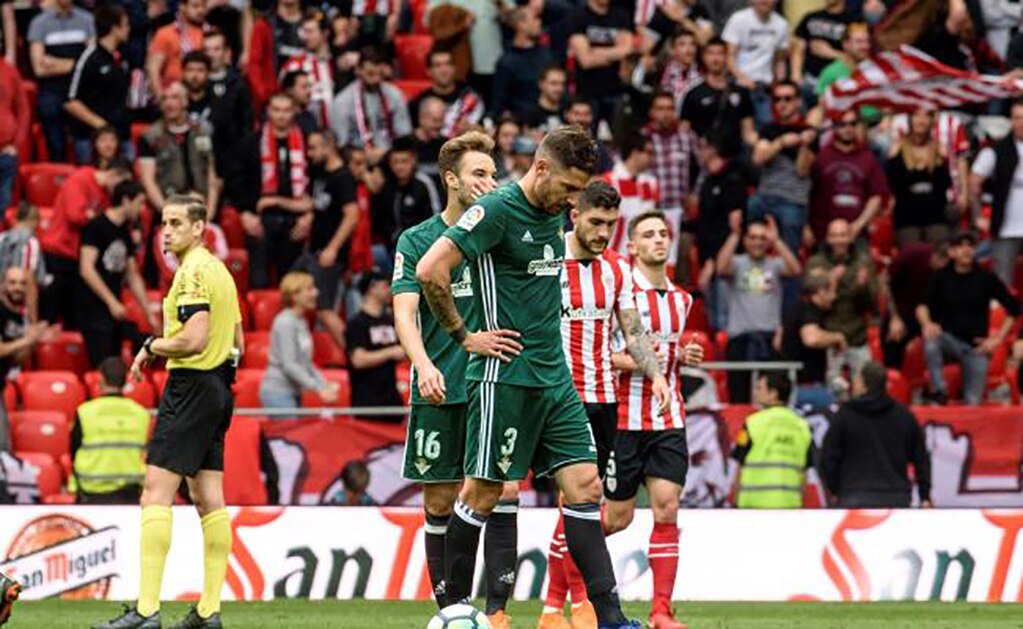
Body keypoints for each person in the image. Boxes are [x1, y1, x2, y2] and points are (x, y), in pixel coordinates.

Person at [415, 125, 640, 628]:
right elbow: (432, 269)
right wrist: (464, 336)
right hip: (504, 378)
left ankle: (612, 618)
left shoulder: (556, 211)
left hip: (554, 378)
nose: (571, 200)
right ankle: (453, 610)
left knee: (585, 487)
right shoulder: (496, 211)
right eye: (566, 188)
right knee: (483, 493)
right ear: (540, 169)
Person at [95, 195, 243, 629]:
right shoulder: (220, 272)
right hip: (220, 386)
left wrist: (151, 346)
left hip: (192, 384)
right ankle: (209, 611)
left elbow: (193, 338)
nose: (167, 231)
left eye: (177, 223)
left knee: (155, 494)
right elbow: (239, 343)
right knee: (207, 498)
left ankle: (145, 612)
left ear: (199, 228)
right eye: (164, 223)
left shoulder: (193, 272)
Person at [392, 131, 520, 626]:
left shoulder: (496, 236)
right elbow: (405, 312)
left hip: (494, 383)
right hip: (441, 383)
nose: (490, 183)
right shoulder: (418, 241)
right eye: (479, 174)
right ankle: (451, 613)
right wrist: (422, 364)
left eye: (493, 173)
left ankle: (498, 612)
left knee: (504, 490)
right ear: (452, 181)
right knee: (441, 499)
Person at [541, 183, 672, 629]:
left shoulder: (615, 269)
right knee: (559, 497)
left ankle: (565, 609)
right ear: (573, 215)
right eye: (596, 222)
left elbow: (633, 333)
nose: (603, 233)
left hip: (602, 399)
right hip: (556, 398)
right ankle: (567, 606)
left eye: (611, 226)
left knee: (580, 502)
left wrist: (656, 376)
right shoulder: (546, 259)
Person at [602, 211, 703, 629]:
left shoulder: (682, 299)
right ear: (633, 246)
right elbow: (602, 354)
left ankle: (661, 610)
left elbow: (666, 352)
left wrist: (681, 357)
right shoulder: (621, 296)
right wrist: (641, 363)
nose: (659, 240)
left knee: (667, 509)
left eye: (664, 234)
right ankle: (564, 595)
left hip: (668, 418)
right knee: (614, 519)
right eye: (649, 234)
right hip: (624, 419)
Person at [917, 230, 1019, 405]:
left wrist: (997, 339)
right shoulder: (941, 277)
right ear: (951, 252)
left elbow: (1015, 308)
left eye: (970, 245)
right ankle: (939, 390)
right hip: (948, 340)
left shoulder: (986, 278)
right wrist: (927, 324)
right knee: (931, 340)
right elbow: (922, 306)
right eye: (960, 246)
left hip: (976, 348)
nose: (966, 250)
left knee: (973, 404)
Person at [821, 361, 931, 508]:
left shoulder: (845, 416)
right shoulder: (904, 416)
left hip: (853, 496)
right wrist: (924, 495)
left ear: (863, 384)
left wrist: (836, 488)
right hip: (896, 497)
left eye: (857, 380)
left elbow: (829, 457)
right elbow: (921, 459)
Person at [717, 218, 801, 403]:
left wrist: (777, 241)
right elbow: (721, 267)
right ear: (745, 240)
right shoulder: (737, 263)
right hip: (740, 340)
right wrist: (735, 235)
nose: (758, 242)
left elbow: (795, 269)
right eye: (753, 237)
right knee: (739, 399)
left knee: (770, 399)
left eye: (763, 238)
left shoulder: (775, 264)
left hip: (769, 341)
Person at [40, 162, 132, 328]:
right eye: (122, 184)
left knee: (74, 315)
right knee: (50, 311)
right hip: (59, 252)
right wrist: (98, 218)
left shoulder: (106, 196)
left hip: (76, 256)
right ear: (114, 175)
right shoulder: (81, 178)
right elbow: (75, 215)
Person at [78, 180, 154, 368]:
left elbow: (132, 274)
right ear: (126, 200)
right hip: (93, 308)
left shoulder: (124, 231)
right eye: (139, 202)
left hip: (113, 311)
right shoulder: (96, 226)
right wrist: (111, 301)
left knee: (119, 358)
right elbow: (86, 269)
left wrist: (148, 312)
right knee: (103, 366)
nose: (142, 209)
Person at [297, 129, 359, 351]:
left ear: (328, 146)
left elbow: (352, 215)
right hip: (313, 250)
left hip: (328, 254)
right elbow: (320, 205)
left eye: (313, 148)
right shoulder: (320, 173)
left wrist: (332, 249)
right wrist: (307, 219)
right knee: (290, 287)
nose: (309, 153)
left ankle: (355, 357)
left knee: (325, 310)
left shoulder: (344, 177)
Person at [244, 91, 313, 289]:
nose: (281, 115)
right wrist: (245, 214)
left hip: (296, 222)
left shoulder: (307, 142)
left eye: (286, 110)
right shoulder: (252, 142)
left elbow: (317, 183)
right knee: (259, 281)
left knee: (293, 284)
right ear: (268, 112)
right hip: (261, 220)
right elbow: (240, 182)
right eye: (276, 110)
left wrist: (310, 214)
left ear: (294, 112)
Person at [806, 218, 877, 394]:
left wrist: (862, 288)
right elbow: (810, 294)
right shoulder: (816, 262)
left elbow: (872, 304)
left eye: (843, 235)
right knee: (835, 393)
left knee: (865, 391)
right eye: (834, 235)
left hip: (857, 336)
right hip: (828, 339)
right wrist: (831, 278)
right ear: (828, 238)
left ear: (851, 237)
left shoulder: (863, 262)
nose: (839, 240)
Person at [749, 80, 817, 254]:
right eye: (777, 99)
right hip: (764, 197)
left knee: (789, 255)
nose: (782, 104)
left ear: (798, 101)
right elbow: (758, 158)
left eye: (788, 99)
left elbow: (802, 171)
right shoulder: (769, 129)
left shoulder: (808, 131)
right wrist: (781, 143)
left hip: (793, 201)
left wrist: (804, 145)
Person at [70, 357, 149, 504]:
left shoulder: (85, 412)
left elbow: (73, 451)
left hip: (92, 493)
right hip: (130, 494)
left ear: (100, 379)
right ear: (126, 381)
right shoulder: (141, 414)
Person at [137, 82, 220, 220]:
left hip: (202, 203)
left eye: (174, 98)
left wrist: (210, 213)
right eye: (164, 98)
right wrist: (168, 212)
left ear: (185, 101)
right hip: (169, 207)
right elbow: (148, 181)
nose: (169, 103)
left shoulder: (203, 132)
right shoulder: (150, 137)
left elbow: (212, 176)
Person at [732, 371, 813, 508]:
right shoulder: (803, 426)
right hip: (790, 505)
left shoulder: (752, 423)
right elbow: (805, 473)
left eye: (759, 388)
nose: (755, 392)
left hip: (753, 506)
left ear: (773, 394)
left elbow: (739, 465)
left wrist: (735, 500)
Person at [808, 110, 888, 246]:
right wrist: (806, 227)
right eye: (842, 124)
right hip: (823, 235)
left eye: (852, 124)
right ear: (834, 127)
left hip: (858, 235)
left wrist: (859, 225)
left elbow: (877, 196)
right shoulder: (821, 157)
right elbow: (807, 192)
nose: (848, 129)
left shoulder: (868, 158)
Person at [27, 0, 95, 162]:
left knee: (84, 136)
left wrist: (55, 62)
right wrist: (77, 63)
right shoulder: (39, 23)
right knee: (51, 121)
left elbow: (92, 63)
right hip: (51, 90)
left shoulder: (86, 20)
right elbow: (39, 69)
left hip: (80, 90)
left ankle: (84, 173)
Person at [260, 271, 338, 409]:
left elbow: (305, 363)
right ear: (294, 296)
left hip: (293, 392)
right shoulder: (285, 322)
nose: (316, 293)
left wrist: (324, 384)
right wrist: (318, 388)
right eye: (309, 289)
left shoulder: (301, 321)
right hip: (278, 392)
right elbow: (289, 365)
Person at [65, 4, 130, 165]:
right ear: (115, 28)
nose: (129, 29)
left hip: (121, 134)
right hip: (91, 139)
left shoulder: (121, 57)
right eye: (126, 24)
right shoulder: (89, 58)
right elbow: (70, 101)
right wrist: (102, 125)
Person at [694, 132, 746, 331]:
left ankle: (727, 359)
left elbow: (732, 229)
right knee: (714, 319)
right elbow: (705, 226)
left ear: (712, 149)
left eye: (701, 147)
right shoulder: (707, 182)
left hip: (727, 261)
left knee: (725, 318)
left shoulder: (732, 179)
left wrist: (713, 262)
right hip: (710, 259)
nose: (698, 153)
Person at [969, 99, 1023, 286]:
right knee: (1001, 283)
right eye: (1017, 118)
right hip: (1005, 228)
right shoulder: (996, 150)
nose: (1021, 123)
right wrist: (977, 215)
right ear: (1010, 120)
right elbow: (974, 182)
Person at [0, 267, 54, 452]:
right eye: (12, 282)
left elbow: (14, 359)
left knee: (4, 448)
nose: (18, 288)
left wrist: (33, 340)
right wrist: (28, 339)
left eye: (23, 283)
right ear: (3, 285)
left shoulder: (17, 315)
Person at [328, 46, 412, 163]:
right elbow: (341, 146)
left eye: (379, 74)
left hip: (392, 161)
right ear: (358, 70)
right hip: (357, 163)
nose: (376, 80)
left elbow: (404, 137)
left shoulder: (395, 96)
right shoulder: (342, 102)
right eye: (370, 74)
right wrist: (362, 156)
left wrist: (386, 153)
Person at [885, 108, 955, 247]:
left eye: (926, 116)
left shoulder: (939, 148)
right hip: (906, 217)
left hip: (935, 216)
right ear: (910, 119)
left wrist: (943, 159)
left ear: (932, 120)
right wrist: (892, 158)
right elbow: (891, 184)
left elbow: (946, 184)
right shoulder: (898, 148)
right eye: (916, 115)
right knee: (912, 255)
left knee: (940, 250)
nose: (921, 121)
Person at [371, 136, 442, 263]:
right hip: (393, 249)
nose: (400, 167)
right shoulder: (387, 186)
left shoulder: (423, 184)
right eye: (395, 162)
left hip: (421, 250)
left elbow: (436, 218)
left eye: (404, 161)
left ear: (413, 161)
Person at [680, 37, 758, 154]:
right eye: (710, 53)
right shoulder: (693, 95)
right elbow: (684, 131)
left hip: (736, 158)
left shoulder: (741, 93)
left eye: (720, 53)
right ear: (703, 57)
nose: (715, 59)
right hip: (705, 157)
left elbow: (748, 131)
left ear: (727, 58)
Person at [346, 269, 405, 423]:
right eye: (386, 286)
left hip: (392, 399)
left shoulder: (391, 320)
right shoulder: (356, 323)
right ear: (372, 288)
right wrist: (390, 352)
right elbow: (358, 360)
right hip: (367, 402)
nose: (390, 290)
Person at [721, 0, 789, 127]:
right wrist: (743, 79)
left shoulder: (781, 24)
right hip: (739, 84)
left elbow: (779, 60)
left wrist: (779, 84)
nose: (765, 1)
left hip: (765, 87)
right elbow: (729, 57)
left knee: (765, 127)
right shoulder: (739, 19)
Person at [780, 273, 844, 409]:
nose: (835, 297)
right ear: (821, 292)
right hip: (808, 387)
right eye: (832, 292)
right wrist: (837, 337)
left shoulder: (795, 308)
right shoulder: (810, 311)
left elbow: (777, 342)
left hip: (794, 387)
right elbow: (811, 339)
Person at [880, 243, 947, 370]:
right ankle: (893, 380)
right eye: (941, 265)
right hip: (902, 310)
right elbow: (884, 280)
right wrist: (894, 317)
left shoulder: (951, 270)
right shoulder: (912, 254)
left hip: (931, 311)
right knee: (894, 337)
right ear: (936, 257)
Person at [567, 0, 634, 128]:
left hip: (615, 90)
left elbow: (627, 50)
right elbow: (586, 61)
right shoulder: (578, 16)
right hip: (587, 92)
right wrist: (615, 52)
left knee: (618, 139)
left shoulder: (621, 15)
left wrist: (595, 51)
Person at [645, 90, 697, 238]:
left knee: (682, 258)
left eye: (670, 109)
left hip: (682, 216)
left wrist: (695, 193)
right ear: (652, 112)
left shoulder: (687, 137)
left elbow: (704, 168)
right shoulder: (643, 139)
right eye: (660, 109)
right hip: (650, 214)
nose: (665, 114)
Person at [604, 134, 661, 261]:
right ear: (635, 153)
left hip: (642, 259)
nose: (652, 158)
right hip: (612, 256)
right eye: (649, 153)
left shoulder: (652, 183)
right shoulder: (610, 181)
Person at [489, 6, 551, 122]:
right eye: (535, 19)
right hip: (521, 122)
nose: (540, 22)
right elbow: (499, 102)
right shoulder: (506, 62)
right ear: (521, 25)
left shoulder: (546, 54)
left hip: (549, 119)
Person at [408, 49, 485, 138]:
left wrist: (472, 129)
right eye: (438, 65)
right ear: (428, 71)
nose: (444, 70)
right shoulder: (418, 103)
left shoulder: (472, 95)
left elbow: (486, 128)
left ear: (454, 68)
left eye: (448, 64)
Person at [279, 9, 334, 129]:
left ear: (325, 33)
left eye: (310, 32)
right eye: (304, 32)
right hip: (305, 133)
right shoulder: (293, 65)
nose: (305, 37)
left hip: (335, 135)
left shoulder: (337, 63)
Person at [791, 0, 851, 106]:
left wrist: (830, 53)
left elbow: (858, 58)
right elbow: (798, 49)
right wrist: (796, 77)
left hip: (836, 82)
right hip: (808, 80)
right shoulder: (811, 17)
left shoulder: (852, 21)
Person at [147, 0, 207, 101]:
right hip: (173, 97)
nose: (200, 10)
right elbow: (153, 69)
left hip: (204, 97)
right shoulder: (165, 33)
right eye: (195, 6)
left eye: (203, 6)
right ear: (182, 7)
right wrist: (161, 98)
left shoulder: (211, 34)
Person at [0, 203, 47, 323]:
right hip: (18, 308)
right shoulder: (30, 243)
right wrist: (33, 319)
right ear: (34, 220)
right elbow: (29, 279)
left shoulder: (2, 238)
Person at [0, 54, 28, 213]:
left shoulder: (9, 71)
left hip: (5, 151)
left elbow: (23, 108)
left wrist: (16, 144)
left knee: (5, 207)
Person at [522, 65, 568, 135]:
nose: (559, 89)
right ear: (541, 84)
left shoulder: (568, 113)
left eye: (562, 84)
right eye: (554, 83)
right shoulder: (528, 114)